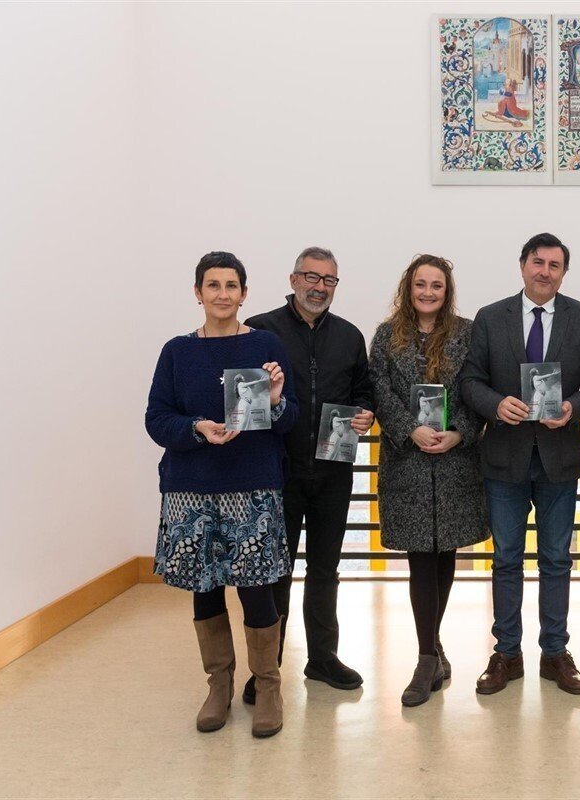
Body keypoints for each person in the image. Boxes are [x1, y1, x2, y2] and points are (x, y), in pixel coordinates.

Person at [145, 251, 297, 738]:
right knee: (205, 588)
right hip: (192, 490)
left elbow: (290, 419)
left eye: (232, 286)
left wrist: (276, 400)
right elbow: (156, 418)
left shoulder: (265, 345)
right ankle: (218, 686)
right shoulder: (176, 351)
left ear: (244, 294)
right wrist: (197, 427)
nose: (223, 294)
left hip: (252, 487)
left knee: (256, 590)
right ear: (198, 293)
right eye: (213, 285)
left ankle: (268, 686)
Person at [460, 232, 580, 695]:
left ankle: (554, 653)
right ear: (522, 265)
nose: (545, 272)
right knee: (506, 559)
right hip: (504, 458)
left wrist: (572, 408)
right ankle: (506, 653)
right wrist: (494, 404)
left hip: (558, 458)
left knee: (556, 560)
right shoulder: (490, 317)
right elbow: (470, 380)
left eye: (554, 265)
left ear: (564, 273)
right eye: (538, 262)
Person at [242, 247, 375, 702]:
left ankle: (322, 658)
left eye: (328, 280)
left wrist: (366, 413)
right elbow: (247, 399)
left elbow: (363, 391)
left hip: (334, 471)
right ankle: (267, 669)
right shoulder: (261, 330)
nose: (319, 287)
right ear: (293, 279)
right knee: (274, 572)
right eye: (311, 277)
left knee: (325, 569)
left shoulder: (350, 336)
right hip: (276, 472)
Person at [369, 255, 489, 707]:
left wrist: (459, 431)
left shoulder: (467, 333)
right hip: (408, 462)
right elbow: (379, 390)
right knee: (420, 557)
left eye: (436, 285)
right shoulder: (386, 336)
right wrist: (409, 429)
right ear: (408, 288)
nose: (427, 293)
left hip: (455, 462)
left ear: (447, 291)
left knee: (445, 554)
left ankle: (433, 646)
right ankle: (426, 657)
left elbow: (476, 388)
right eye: (420, 284)